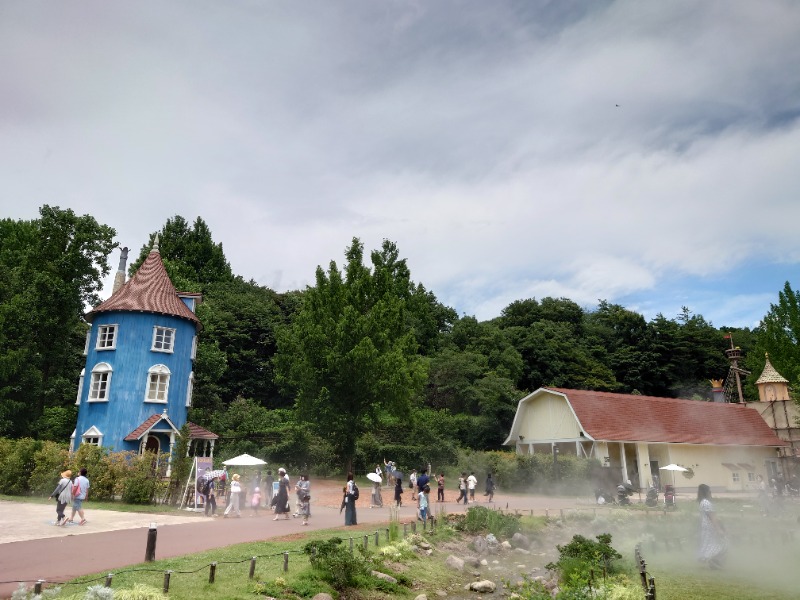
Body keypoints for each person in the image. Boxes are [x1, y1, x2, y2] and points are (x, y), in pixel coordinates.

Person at [697, 484, 726, 569]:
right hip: (711, 527)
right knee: (721, 545)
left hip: (706, 527)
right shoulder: (706, 502)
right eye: (709, 491)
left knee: (709, 544)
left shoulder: (702, 502)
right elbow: (712, 517)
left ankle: (710, 561)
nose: (710, 493)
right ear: (706, 492)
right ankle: (713, 562)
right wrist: (719, 529)